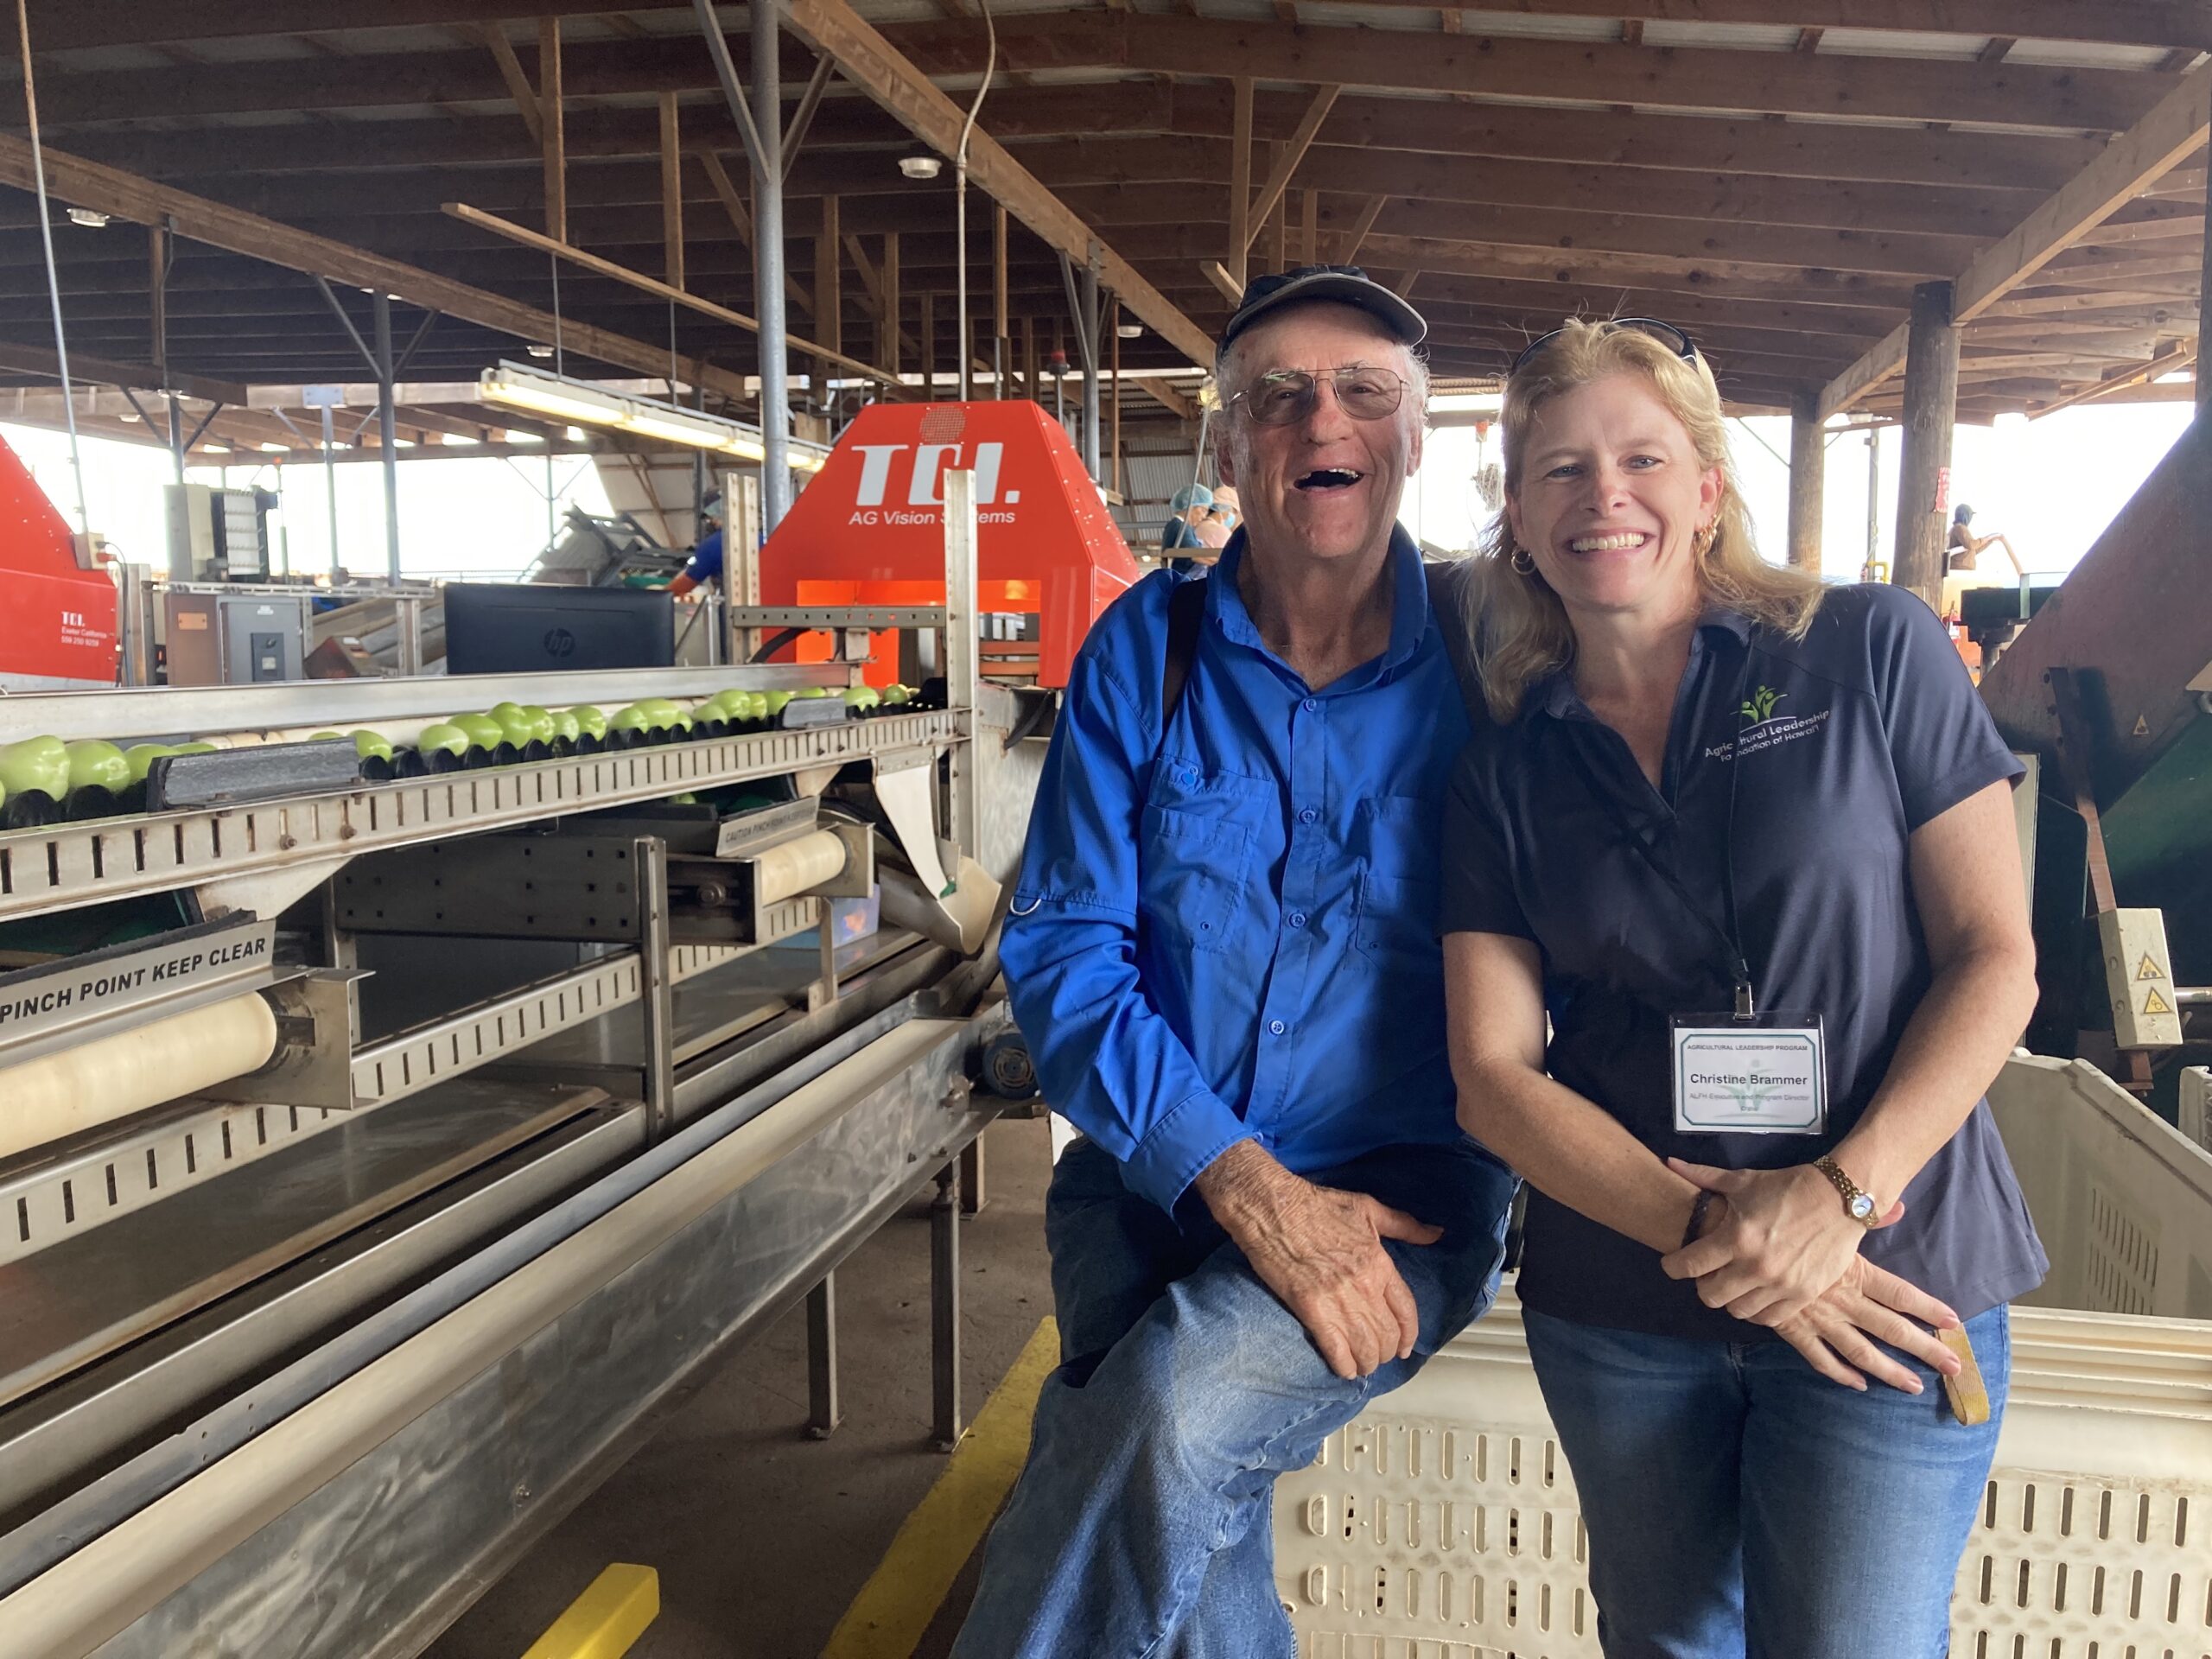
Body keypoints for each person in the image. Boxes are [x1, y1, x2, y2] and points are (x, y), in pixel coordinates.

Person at [1441, 317, 2048, 1657]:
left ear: (1707, 490)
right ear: (1520, 522)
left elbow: (1996, 960)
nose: (1605, 495)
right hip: (1629, 1306)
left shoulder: (1873, 652)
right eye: (1560, 471)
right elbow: (1492, 1075)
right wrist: (1731, 1236)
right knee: (1662, 1645)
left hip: (1892, 1282)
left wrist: (1837, 1203)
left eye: (1642, 458)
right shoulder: (1506, 769)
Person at [953, 266, 1516, 1659]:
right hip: (1149, 1190)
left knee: (1155, 1420)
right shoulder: (1147, 648)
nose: (1323, 419)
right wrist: (1238, 1180)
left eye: (1364, 392)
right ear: (1226, 449)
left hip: (1400, 1210)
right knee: (1186, 1552)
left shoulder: (1495, 662)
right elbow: (1068, 950)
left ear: (1411, 437)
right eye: (1280, 396)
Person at [664, 491, 727, 598]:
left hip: (732, 610)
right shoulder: (757, 536)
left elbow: (688, 582)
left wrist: (659, 597)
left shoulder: (714, 544)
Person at [1195, 483, 1242, 550]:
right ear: (1223, 508)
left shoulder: (1199, 526)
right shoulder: (1221, 531)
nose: (1233, 516)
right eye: (1233, 511)